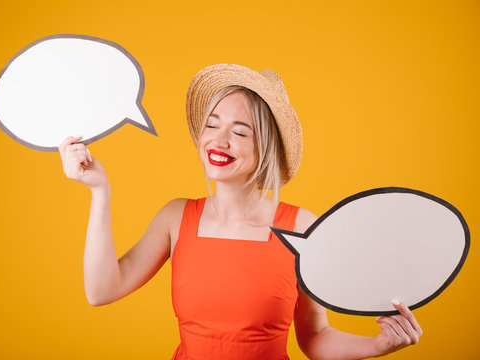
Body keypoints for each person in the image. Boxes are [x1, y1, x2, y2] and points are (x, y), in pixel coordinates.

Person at [59, 64, 422, 359]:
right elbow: (101, 290)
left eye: (240, 132)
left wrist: (377, 345)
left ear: (264, 147)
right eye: (212, 125)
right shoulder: (175, 217)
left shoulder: (301, 226)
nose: (219, 140)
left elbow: (314, 338)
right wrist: (99, 191)